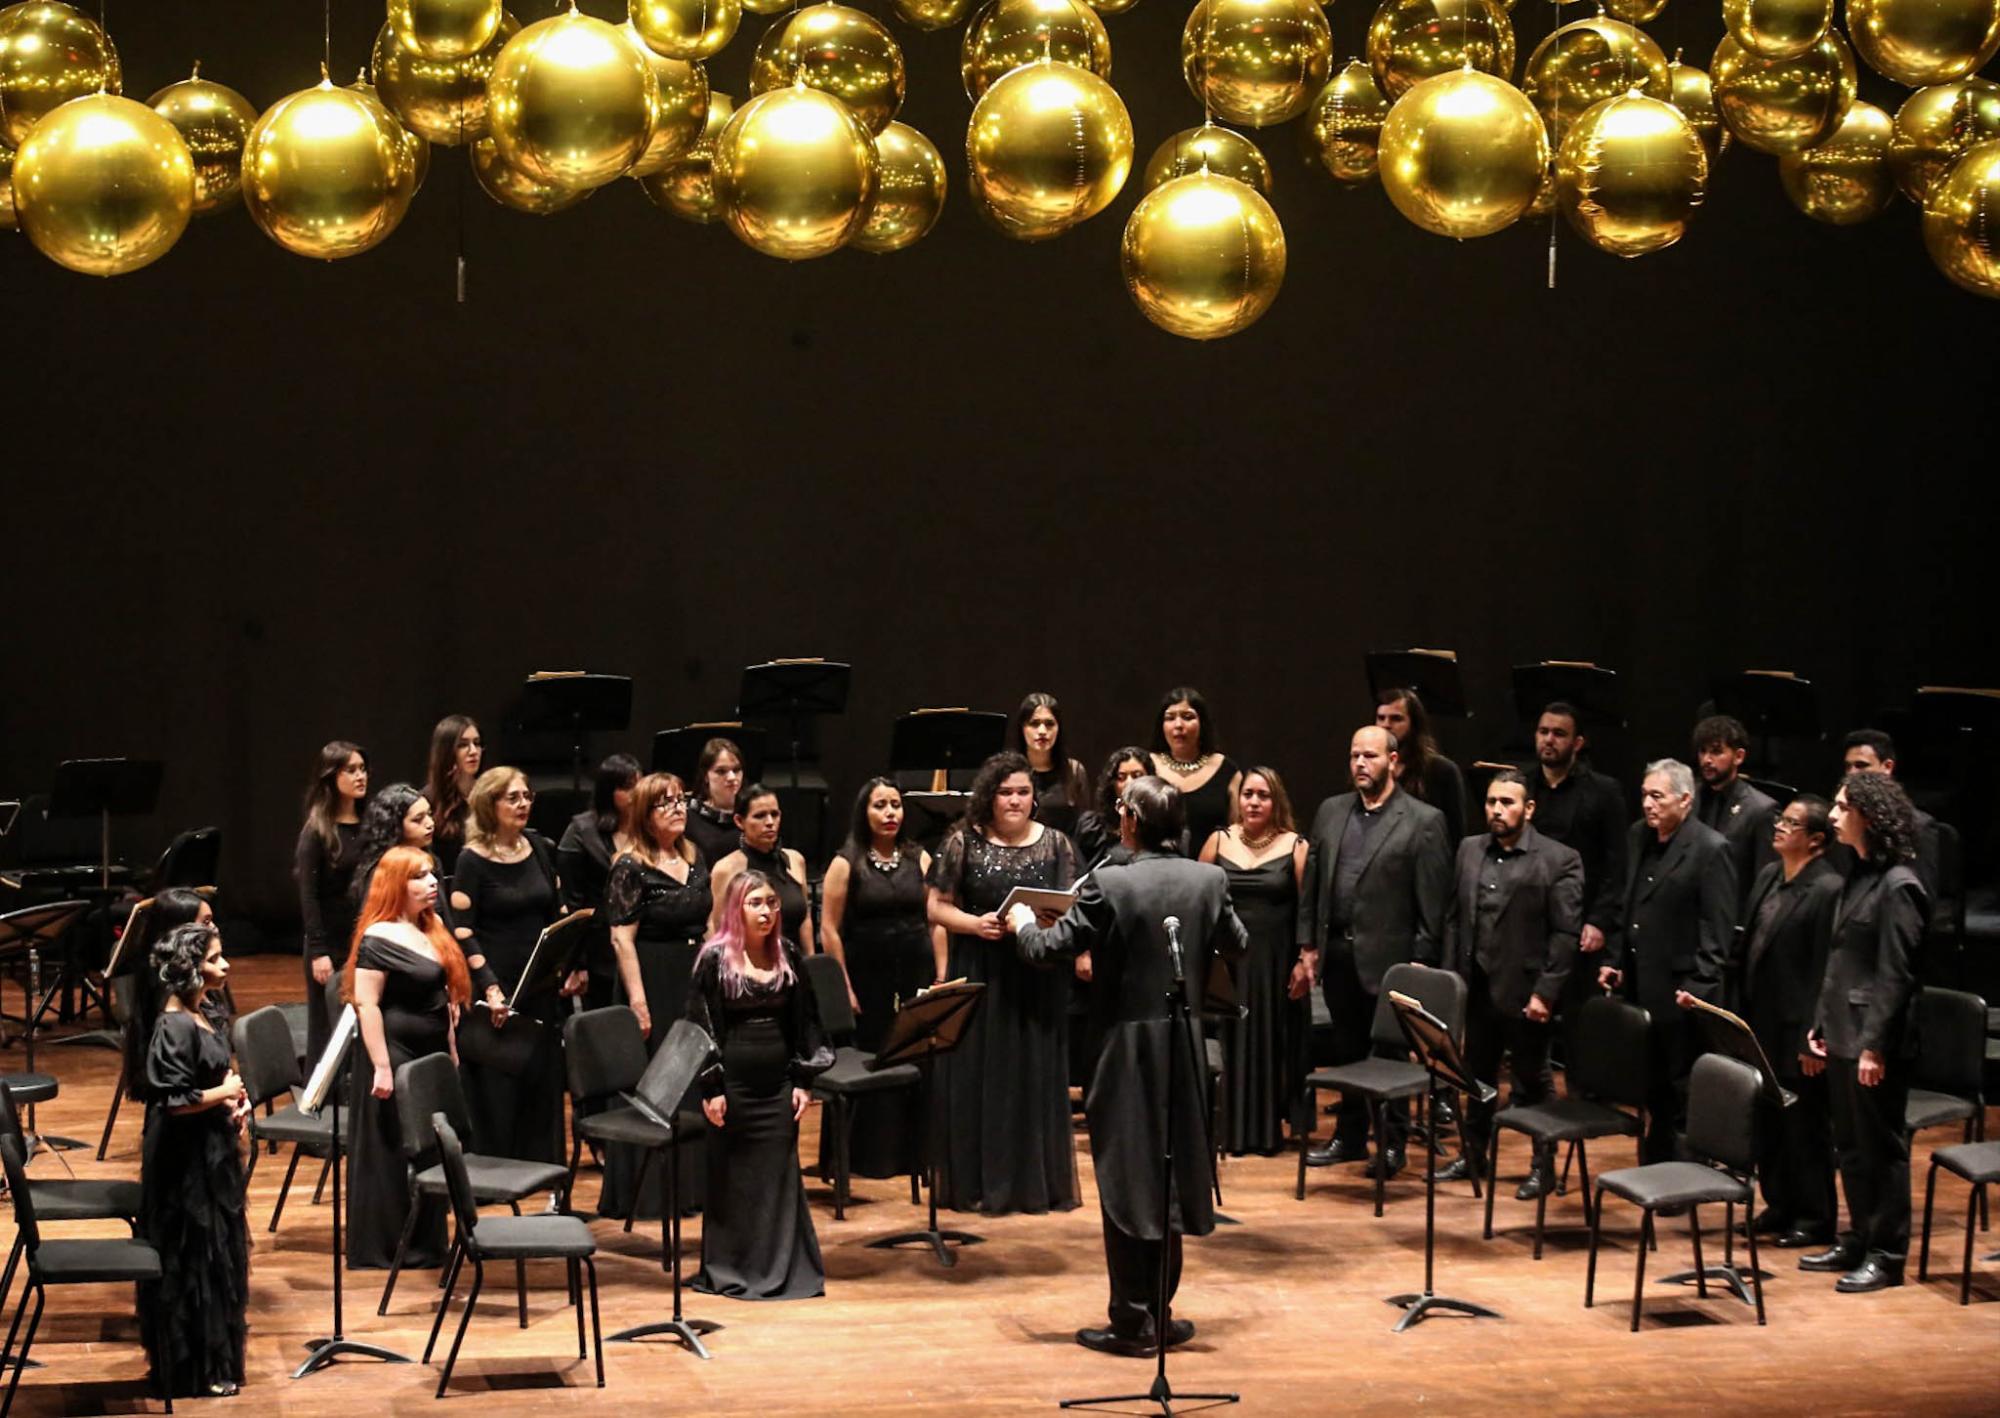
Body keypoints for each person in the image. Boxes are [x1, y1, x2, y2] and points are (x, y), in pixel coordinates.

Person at [1008, 776, 1248, 1357]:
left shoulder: (1111, 884)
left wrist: (1019, 920)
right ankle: (1160, 1314)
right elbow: (1237, 943)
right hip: (1185, 1044)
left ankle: (1130, 1320)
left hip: (1124, 1048)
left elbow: (1048, 949)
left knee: (1126, 1177)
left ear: (1132, 822)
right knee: (1167, 1173)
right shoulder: (1209, 879)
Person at [926, 751, 1082, 1215]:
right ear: (989, 797)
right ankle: (980, 1183)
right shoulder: (963, 842)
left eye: (1023, 792)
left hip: (1036, 972)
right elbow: (936, 907)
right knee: (982, 1075)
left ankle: (1033, 1185)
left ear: (1035, 798)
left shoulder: (1056, 844)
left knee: (1033, 1073)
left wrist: (1047, 921)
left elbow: (1070, 906)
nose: (1015, 801)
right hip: (982, 967)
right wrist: (976, 925)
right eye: (1005, 792)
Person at [1297, 725, 1452, 1176]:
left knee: (1388, 1054)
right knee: (1346, 1050)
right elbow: (1313, 885)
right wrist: (1308, 944)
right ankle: (1349, 1137)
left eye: (1370, 756)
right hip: (1339, 955)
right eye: (1354, 756)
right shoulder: (1331, 811)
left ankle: (1392, 1142)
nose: (1360, 764)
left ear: (1394, 761)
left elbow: (1432, 905)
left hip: (1393, 961)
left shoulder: (1424, 821)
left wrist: (1420, 965)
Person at [1799, 773, 1926, 1294]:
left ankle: (1887, 1253)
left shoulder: (1900, 885)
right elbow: (1840, 962)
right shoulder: (1858, 874)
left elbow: (1895, 975)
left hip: (1873, 1041)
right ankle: (1858, 1236)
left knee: (1881, 1148)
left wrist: (1874, 1045)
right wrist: (1821, 1025)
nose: (1831, 814)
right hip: (1844, 1031)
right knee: (1849, 1145)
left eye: (1842, 806)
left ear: (1868, 817)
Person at [686, 871, 831, 1300]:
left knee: (777, 1177)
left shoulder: (787, 954)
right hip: (734, 1087)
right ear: (736, 910)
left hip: (778, 1085)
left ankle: (783, 1267)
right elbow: (701, 1026)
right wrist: (711, 1087)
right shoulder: (713, 960)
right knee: (734, 1179)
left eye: (771, 902)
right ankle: (733, 1267)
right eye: (756, 903)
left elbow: (806, 1022)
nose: (767, 911)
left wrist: (803, 1081)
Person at [1437, 769, 1582, 1196]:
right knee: (1476, 1074)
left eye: (1507, 803)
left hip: (1525, 992)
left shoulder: (1559, 859)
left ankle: (1545, 1163)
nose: (1497, 810)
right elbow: (1453, 920)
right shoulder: (1468, 850)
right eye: (1491, 802)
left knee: (1533, 1079)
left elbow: (1565, 933)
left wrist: (1546, 992)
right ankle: (1474, 1153)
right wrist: (1450, 982)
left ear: (1529, 808)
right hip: (1477, 986)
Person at [1596, 759, 1735, 1163]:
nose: (1648, 804)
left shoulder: (1711, 848)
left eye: (1657, 796)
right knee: (1652, 1083)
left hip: (1682, 994)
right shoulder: (1639, 835)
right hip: (1642, 985)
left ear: (1685, 799)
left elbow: (1717, 930)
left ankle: (1684, 1171)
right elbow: (1629, 903)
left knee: (1681, 1087)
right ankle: (1655, 1165)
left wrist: (1698, 988)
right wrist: (1615, 959)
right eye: (1644, 794)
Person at [344, 847, 472, 1271]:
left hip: (430, 1052)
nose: (433, 882)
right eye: (420, 876)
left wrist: (450, 1048)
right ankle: (388, 1246)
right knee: (392, 1148)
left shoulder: (429, 926)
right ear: (398, 885)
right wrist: (381, 1064)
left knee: (428, 1147)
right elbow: (367, 1005)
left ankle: (426, 1240)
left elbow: (443, 996)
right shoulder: (378, 937)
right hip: (395, 1055)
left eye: (432, 874)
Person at [137, 921, 250, 1399]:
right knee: (190, 1255)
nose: (223, 965)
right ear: (188, 969)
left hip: (212, 1149)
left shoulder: (206, 1010)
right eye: (212, 959)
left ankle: (213, 1362)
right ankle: (189, 1368)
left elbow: (215, 1075)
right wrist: (221, 1092)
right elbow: (175, 1100)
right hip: (183, 1160)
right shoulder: (173, 1024)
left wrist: (233, 1104)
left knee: (218, 1255)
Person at [449, 766, 584, 1165]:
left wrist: (565, 963)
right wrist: (489, 987)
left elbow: (557, 912)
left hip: (538, 982)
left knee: (541, 1080)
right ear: (490, 804)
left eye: (527, 796)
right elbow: (463, 930)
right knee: (497, 1081)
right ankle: (495, 1169)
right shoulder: (472, 859)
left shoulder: (539, 848)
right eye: (513, 797)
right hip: (498, 984)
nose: (523, 803)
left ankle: (542, 1167)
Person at [598, 772, 713, 1220]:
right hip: (650, 978)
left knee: (693, 1083)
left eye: (681, 800)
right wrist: (639, 1002)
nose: (678, 808)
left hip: (691, 979)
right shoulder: (628, 866)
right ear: (645, 814)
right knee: (657, 1087)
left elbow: (704, 925)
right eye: (665, 803)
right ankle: (648, 1196)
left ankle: (692, 1189)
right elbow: (621, 939)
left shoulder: (694, 857)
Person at [818, 778, 941, 1180]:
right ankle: (867, 1157)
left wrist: (942, 972)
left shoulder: (919, 858)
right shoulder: (846, 861)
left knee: (913, 1055)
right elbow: (830, 930)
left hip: (915, 970)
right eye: (880, 806)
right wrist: (844, 987)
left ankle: (912, 1154)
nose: (890, 813)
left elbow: (935, 917)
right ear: (863, 813)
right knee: (872, 1055)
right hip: (866, 975)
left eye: (895, 805)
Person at [1738, 795, 1842, 1250]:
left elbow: (1826, 970)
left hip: (1797, 1027)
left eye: (1792, 823)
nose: (1779, 827)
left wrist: (1811, 1035)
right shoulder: (1767, 876)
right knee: (1768, 1122)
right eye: (1780, 819)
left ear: (1816, 841)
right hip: (1760, 1022)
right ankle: (1778, 1203)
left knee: (1805, 1126)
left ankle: (1814, 1217)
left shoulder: (1828, 889)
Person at [1198, 766, 1310, 1156]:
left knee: (1268, 1042)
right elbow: (1200, 901)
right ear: (1238, 799)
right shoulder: (1218, 841)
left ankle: (1264, 1132)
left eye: (1263, 795)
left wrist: (1303, 960)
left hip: (1275, 965)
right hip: (1230, 963)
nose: (1254, 802)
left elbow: (1307, 912)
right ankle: (1229, 1129)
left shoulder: (1296, 845)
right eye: (1248, 794)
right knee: (1231, 1043)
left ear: (1275, 801)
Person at [1525, 701, 1629, 1071]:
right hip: (1529, 924)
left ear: (1578, 742)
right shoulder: (1522, 785)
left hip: (1579, 923)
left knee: (1577, 1023)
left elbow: (1617, 865)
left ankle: (1582, 1101)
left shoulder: (1603, 791)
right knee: (1527, 1022)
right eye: (1543, 732)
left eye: (1559, 734)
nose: (1549, 740)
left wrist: (1600, 920)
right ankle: (1530, 1094)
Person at [119, 889, 227, 1123]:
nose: (214, 928)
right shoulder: (171, 1006)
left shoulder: (200, 989)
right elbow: (177, 1098)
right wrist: (227, 1093)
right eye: (206, 922)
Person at [295, 739, 369, 1069]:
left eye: (363, 769)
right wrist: (319, 950)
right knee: (326, 1028)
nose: (360, 776)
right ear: (331, 777)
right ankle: (320, 1101)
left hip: (362, 940)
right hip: (330, 943)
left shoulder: (369, 825)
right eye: (350, 770)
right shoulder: (317, 830)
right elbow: (308, 894)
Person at [558, 753, 642, 1012]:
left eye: (639, 783)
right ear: (609, 792)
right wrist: (578, 964)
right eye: (627, 787)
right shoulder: (582, 832)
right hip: (599, 952)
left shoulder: (649, 827)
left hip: (643, 945)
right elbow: (573, 905)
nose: (636, 793)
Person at [708, 783, 815, 953]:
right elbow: (715, 928)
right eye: (760, 816)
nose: (770, 822)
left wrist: (811, 961)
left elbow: (805, 919)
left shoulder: (795, 860)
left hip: (795, 964)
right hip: (748, 967)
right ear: (739, 821)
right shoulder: (726, 869)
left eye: (775, 814)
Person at [1692, 714, 1778, 911]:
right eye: (1702, 751)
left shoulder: (1760, 810)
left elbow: (1764, 882)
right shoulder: (1689, 797)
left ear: (1738, 756)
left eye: (1716, 752)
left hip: (1732, 918)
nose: (1706, 760)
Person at [1148, 687, 1241, 857]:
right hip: (1154, 873)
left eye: (1188, 717)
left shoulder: (1226, 770)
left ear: (1202, 723)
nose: (1178, 725)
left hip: (1211, 874)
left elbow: (1238, 834)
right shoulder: (1147, 766)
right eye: (1170, 718)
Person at [1376, 687, 1469, 847]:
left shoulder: (1441, 770)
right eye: (1381, 718)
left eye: (1396, 719)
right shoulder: (1371, 768)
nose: (1386, 725)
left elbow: (1456, 835)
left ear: (1414, 724)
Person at [1006, 692, 1092, 837]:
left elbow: (1085, 826)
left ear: (1058, 728)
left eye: (1049, 724)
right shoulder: (1009, 771)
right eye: (1034, 723)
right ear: (1022, 728)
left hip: (1066, 855)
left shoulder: (1074, 771)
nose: (1042, 731)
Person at [348, 783, 436, 911]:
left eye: (429, 814)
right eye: (418, 819)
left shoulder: (431, 861)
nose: (430, 823)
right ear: (396, 826)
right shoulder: (382, 872)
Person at [423, 714, 483, 875]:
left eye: (477, 744)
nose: (473, 751)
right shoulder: (427, 800)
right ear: (446, 750)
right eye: (463, 745)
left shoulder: (489, 793)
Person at [1074, 747, 1151, 869]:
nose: (1129, 783)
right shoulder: (1093, 828)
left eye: (1137, 776)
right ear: (1112, 784)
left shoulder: (1160, 826)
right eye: (1121, 777)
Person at [684, 736, 747, 866]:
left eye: (736, 770)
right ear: (706, 776)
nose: (731, 777)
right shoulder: (689, 817)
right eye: (721, 771)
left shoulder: (752, 812)